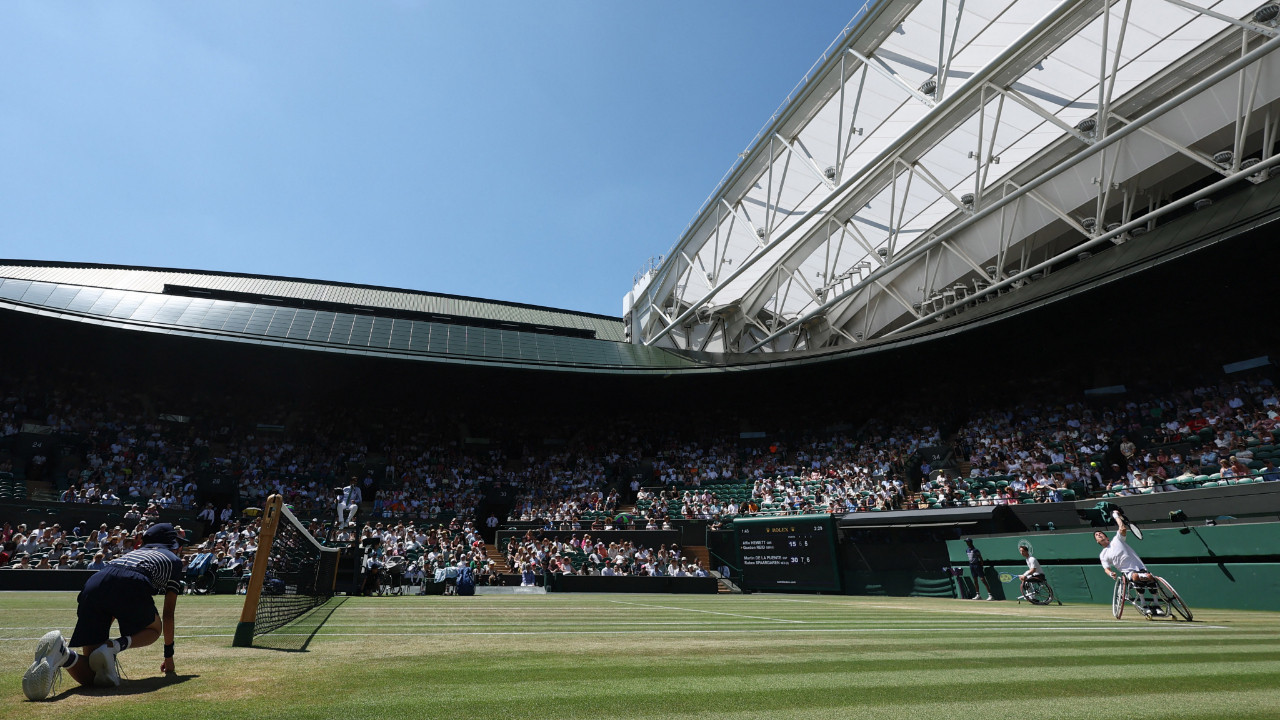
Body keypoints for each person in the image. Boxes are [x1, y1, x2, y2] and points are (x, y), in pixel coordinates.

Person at [22, 523, 187, 701]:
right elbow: (168, 614)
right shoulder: (173, 560)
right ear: (171, 543)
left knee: (96, 675)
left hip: (96, 581)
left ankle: (64, 655)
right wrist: (168, 657)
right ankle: (113, 646)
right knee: (155, 629)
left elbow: (114, 593)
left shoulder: (131, 553)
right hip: (133, 579)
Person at [1096, 511, 1159, 615]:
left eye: (1100, 533)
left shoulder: (1117, 539)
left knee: (1149, 577)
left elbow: (1122, 528)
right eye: (1097, 535)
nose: (1099, 534)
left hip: (1140, 568)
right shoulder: (1103, 554)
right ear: (1097, 542)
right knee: (1135, 577)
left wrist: (1116, 516)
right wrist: (1111, 573)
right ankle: (1144, 604)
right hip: (1128, 572)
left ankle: (1156, 605)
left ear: (1106, 537)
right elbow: (1106, 568)